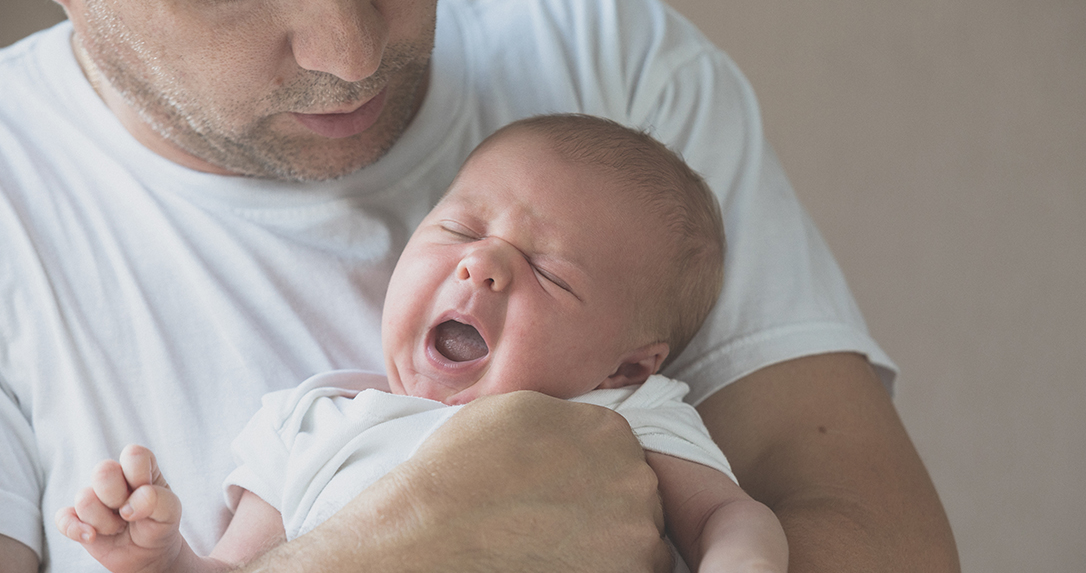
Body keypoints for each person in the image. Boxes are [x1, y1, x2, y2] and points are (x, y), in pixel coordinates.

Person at [0, 0, 960, 572]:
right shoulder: (311, 425)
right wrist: (396, 548)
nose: (351, 45)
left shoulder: (616, 77)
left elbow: (878, 543)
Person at [55, 114, 789, 573]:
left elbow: (731, 516)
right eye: (461, 231)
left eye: (549, 273)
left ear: (625, 363)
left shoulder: (626, 412)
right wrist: (163, 556)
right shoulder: (312, 424)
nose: (483, 264)